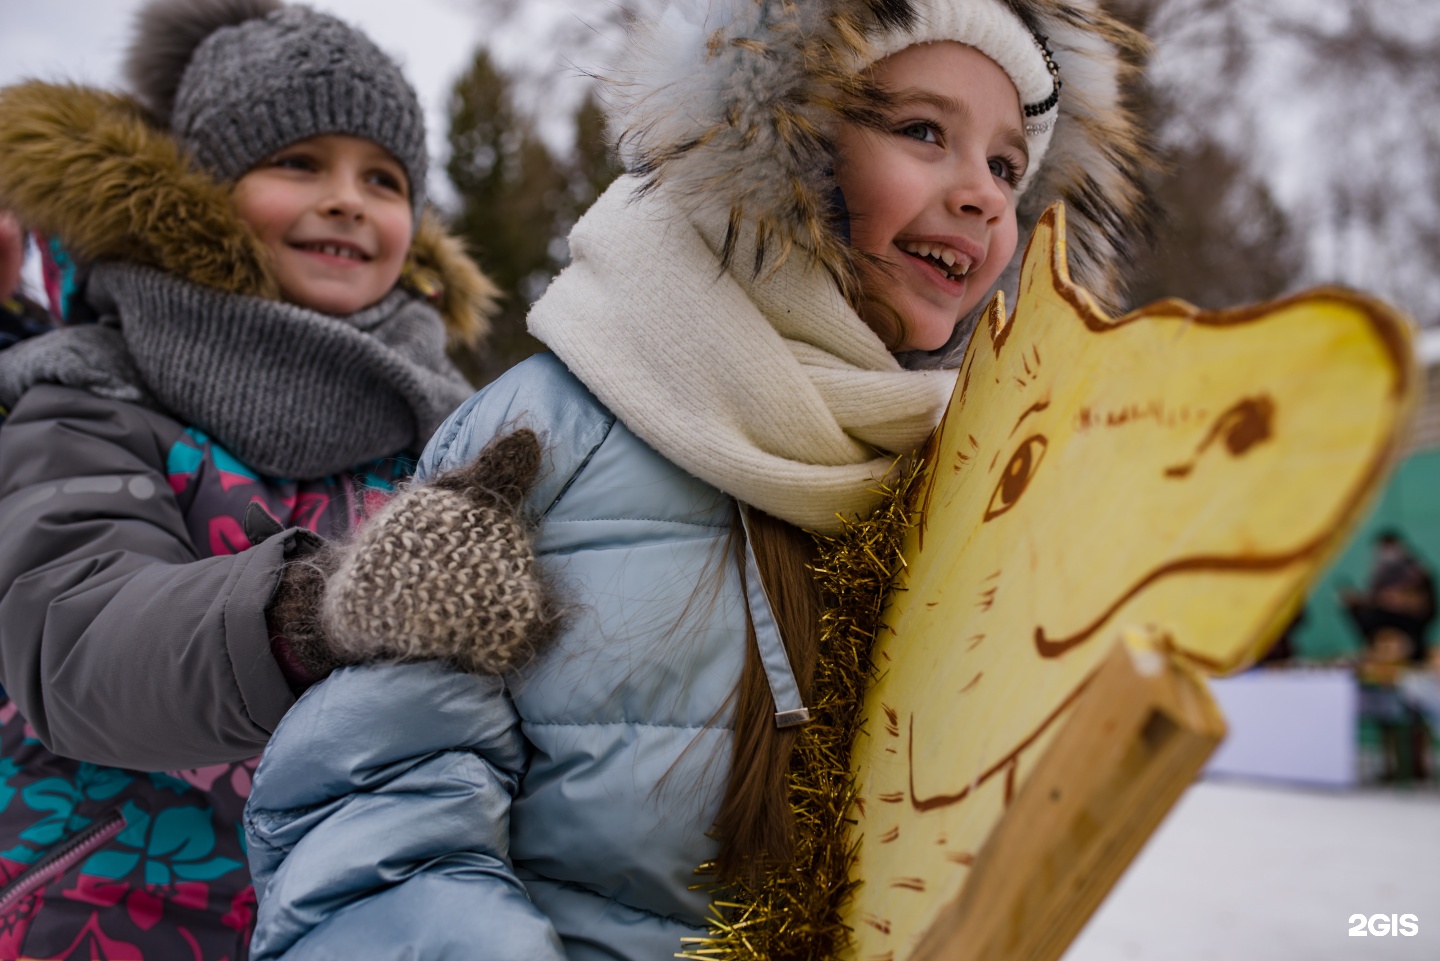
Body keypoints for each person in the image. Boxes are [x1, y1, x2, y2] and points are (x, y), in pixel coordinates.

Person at [243, 0, 1154, 959]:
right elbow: (376, 820)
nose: (981, 193)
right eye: (924, 131)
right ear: (786, 143)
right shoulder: (546, 435)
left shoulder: (956, 476)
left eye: (1009, 166)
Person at [0, 0, 498, 956]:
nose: (348, 197)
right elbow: (75, 634)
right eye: (298, 162)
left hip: (375, 915)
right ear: (198, 198)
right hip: (111, 901)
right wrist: (305, 616)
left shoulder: (450, 423)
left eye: (383, 178)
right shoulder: (92, 395)